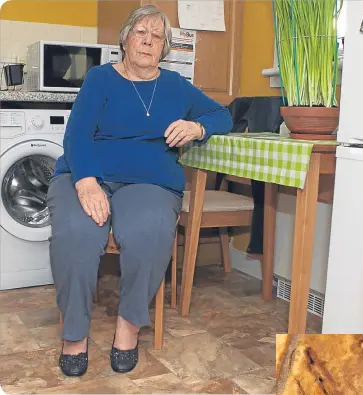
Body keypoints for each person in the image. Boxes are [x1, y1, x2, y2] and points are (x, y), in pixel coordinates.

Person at [47, 4, 233, 377]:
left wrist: (198, 129)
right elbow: (77, 134)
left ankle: (128, 327)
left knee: (149, 230)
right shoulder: (100, 79)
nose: (148, 41)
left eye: (157, 36)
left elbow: (223, 115)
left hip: (149, 181)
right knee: (76, 231)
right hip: (87, 173)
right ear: (125, 38)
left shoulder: (177, 86)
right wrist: (86, 182)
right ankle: (74, 335)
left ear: (164, 49)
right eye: (140, 32)